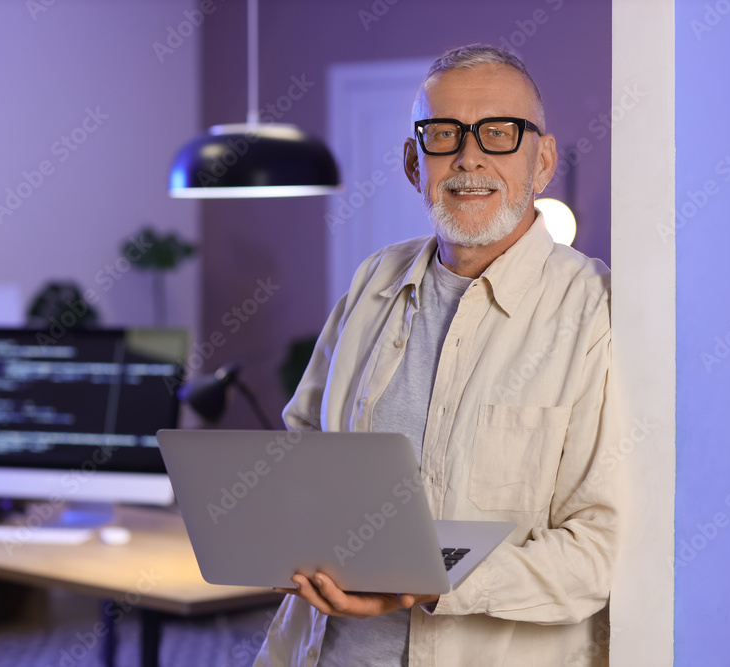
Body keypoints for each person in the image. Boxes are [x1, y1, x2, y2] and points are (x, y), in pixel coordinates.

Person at [254, 44, 624, 667]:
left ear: (543, 161)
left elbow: (597, 555)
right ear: (413, 162)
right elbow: (303, 455)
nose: (469, 156)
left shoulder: (595, 310)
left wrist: (431, 582)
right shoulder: (374, 279)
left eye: (499, 133)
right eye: (444, 133)